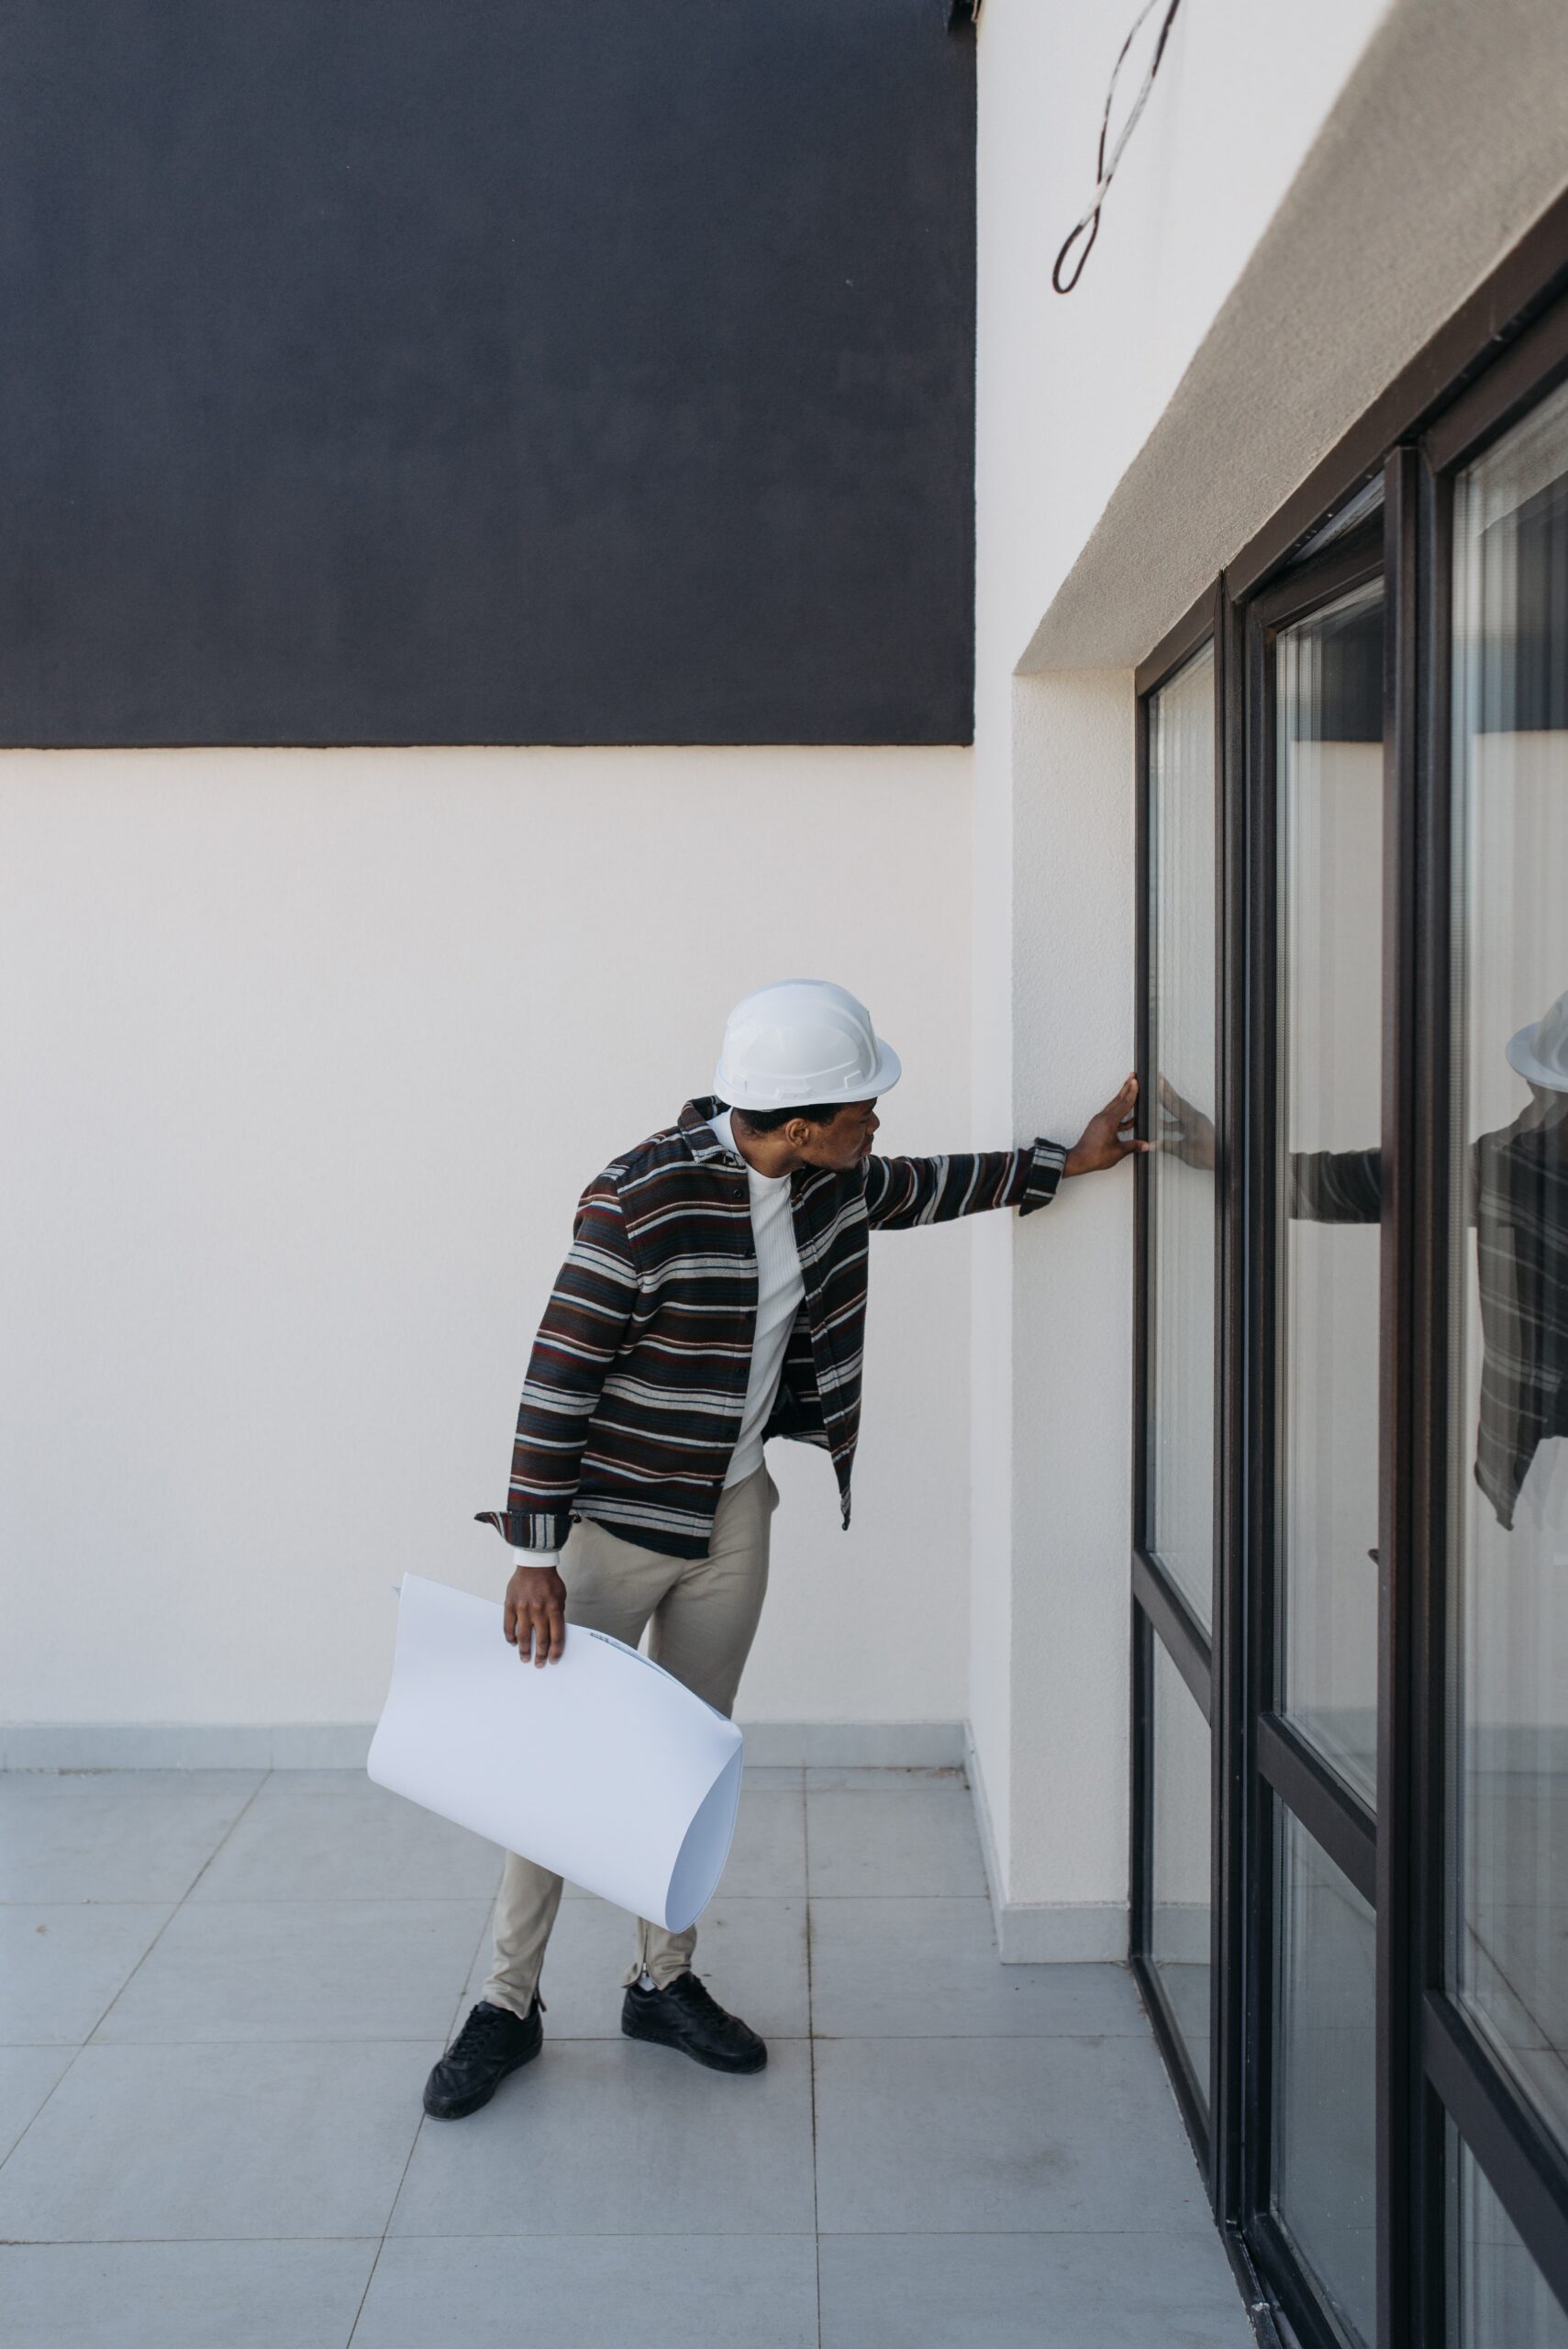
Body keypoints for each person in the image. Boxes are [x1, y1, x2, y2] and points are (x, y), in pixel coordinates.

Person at [422, 979, 1145, 2120]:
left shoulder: (825, 1183)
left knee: (687, 1757)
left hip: (733, 1519)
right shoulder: (639, 1202)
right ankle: (505, 2004)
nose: (876, 1123)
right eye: (862, 1105)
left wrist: (1071, 1161)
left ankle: (661, 1981)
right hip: (610, 1529)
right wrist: (533, 1555)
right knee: (552, 1769)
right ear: (799, 1124)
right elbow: (554, 1378)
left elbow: (927, 1187)